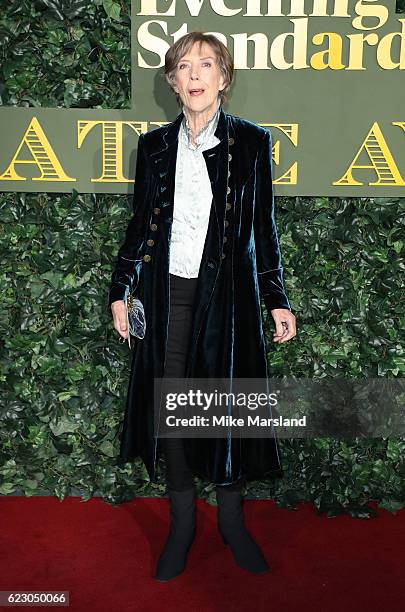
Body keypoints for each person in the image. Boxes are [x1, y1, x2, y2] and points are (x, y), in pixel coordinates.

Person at [109, 31, 296, 581]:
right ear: (172, 81)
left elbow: (262, 230)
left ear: (223, 78)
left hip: (229, 302)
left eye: (205, 65)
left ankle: (233, 523)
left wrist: (276, 300)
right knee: (174, 415)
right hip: (168, 297)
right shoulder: (154, 148)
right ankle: (184, 523)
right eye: (183, 66)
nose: (194, 75)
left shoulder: (253, 144)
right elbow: (141, 226)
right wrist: (122, 291)